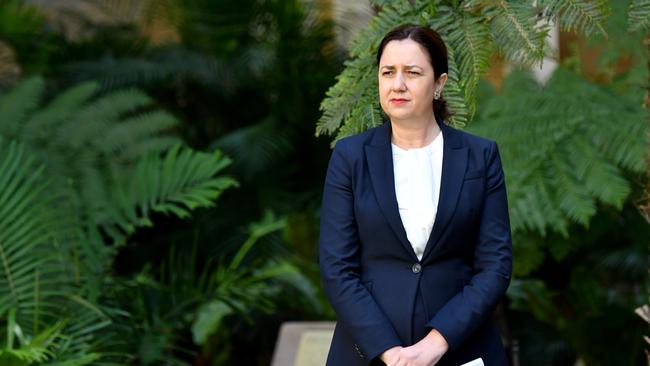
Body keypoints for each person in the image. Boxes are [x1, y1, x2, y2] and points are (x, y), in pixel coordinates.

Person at [319, 24, 512, 366]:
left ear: (439, 84)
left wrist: (436, 343)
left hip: (461, 350)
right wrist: (391, 353)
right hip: (368, 353)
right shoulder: (350, 158)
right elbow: (337, 268)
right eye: (388, 72)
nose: (398, 84)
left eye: (412, 72)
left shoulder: (480, 157)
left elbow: (495, 266)